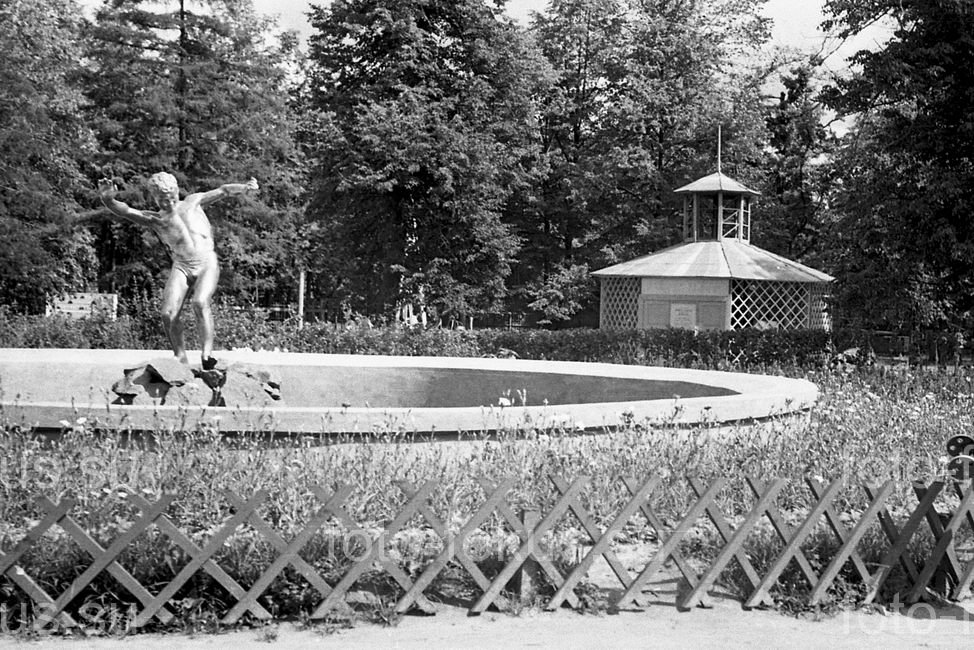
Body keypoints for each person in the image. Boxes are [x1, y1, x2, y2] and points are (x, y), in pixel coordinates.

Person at [97, 172, 259, 368]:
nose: (169, 203)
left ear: (177, 191)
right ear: (155, 199)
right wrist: (107, 200)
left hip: (207, 260)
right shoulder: (155, 219)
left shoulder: (193, 201)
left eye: (172, 197)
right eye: (163, 200)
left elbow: (223, 190)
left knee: (199, 302)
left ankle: (207, 354)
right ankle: (180, 357)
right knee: (168, 313)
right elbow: (126, 211)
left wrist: (245, 187)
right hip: (182, 265)